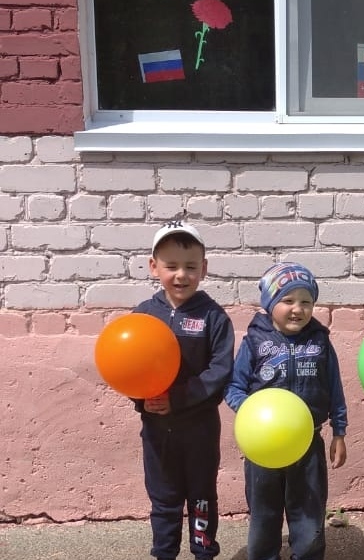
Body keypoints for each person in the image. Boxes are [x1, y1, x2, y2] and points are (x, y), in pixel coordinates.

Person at [225, 262, 348, 560]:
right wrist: (251, 410)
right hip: (263, 448)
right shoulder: (255, 342)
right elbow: (234, 387)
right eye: (288, 300)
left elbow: (334, 387)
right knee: (264, 513)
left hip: (308, 444)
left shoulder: (320, 342)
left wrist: (339, 432)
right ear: (270, 304)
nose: (298, 309)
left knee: (309, 512)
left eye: (306, 302)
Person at [133, 220, 235, 560]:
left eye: (190, 267)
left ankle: (204, 553)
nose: (181, 275)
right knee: (164, 501)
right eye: (171, 266)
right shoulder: (143, 316)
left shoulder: (213, 317)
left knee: (202, 499)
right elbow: (128, 366)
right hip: (157, 432)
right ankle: (164, 553)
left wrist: (176, 399)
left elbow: (220, 371)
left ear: (203, 269)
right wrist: (142, 400)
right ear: (154, 267)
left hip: (199, 432)